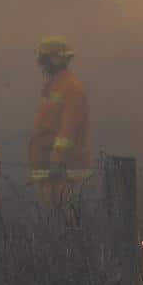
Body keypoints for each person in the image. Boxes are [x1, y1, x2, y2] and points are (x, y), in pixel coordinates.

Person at [28, 36, 91, 211]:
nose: (41, 64)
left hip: (65, 171)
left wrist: (56, 161)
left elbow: (68, 130)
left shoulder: (71, 88)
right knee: (53, 222)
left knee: (65, 221)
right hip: (51, 169)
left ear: (56, 59)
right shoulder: (54, 86)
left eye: (45, 59)